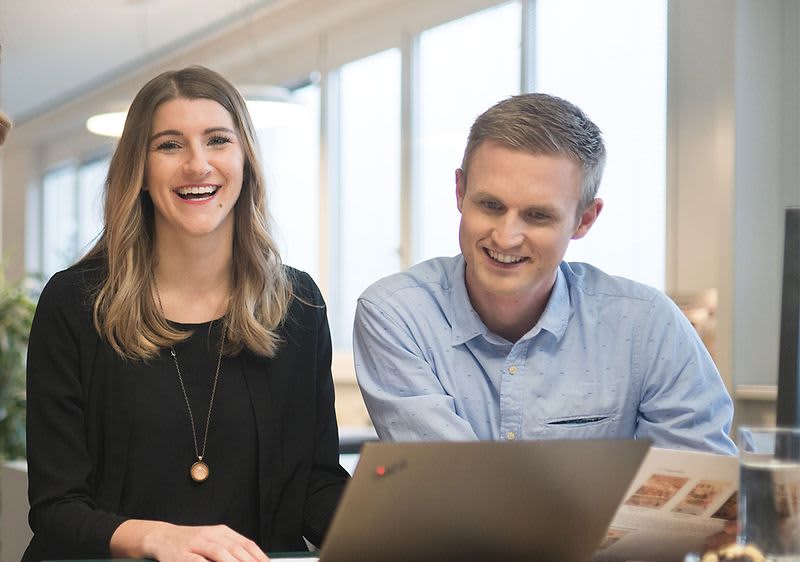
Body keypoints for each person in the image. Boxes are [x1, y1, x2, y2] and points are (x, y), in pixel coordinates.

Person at [24, 66, 348, 562]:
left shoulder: (296, 303)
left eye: (217, 140)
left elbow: (315, 487)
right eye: (170, 145)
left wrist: (401, 530)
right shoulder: (75, 303)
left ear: (245, 161)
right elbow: (56, 507)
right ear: (140, 169)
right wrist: (157, 537)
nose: (198, 165)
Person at [353, 93, 736, 455]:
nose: (505, 237)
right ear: (459, 191)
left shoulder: (649, 325)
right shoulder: (397, 315)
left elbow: (693, 496)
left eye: (538, 215)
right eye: (490, 205)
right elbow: (456, 493)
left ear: (584, 220)